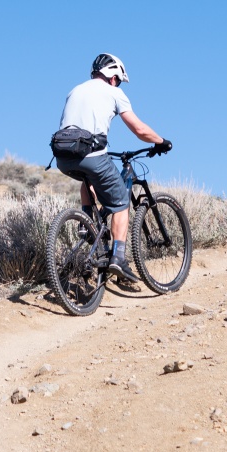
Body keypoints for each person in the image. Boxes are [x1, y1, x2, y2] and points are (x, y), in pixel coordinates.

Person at [55, 53, 171, 283]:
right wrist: (160, 141)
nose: (117, 83)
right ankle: (118, 258)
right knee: (120, 202)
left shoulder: (75, 90)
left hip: (63, 156)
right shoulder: (114, 92)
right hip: (92, 154)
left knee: (88, 178)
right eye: (117, 79)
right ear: (112, 75)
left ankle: (86, 221)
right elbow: (139, 129)